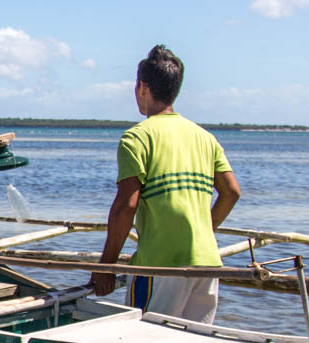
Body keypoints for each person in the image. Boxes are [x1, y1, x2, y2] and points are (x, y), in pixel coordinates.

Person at [91, 45, 240, 323]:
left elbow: (126, 206)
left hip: (160, 265)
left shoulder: (137, 138)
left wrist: (106, 266)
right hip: (206, 263)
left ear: (142, 87)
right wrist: (203, 230)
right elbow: (231, 192)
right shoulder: (204, 137)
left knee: (141, 342)